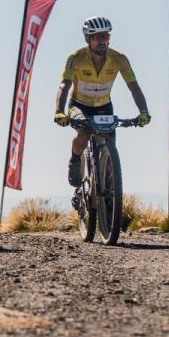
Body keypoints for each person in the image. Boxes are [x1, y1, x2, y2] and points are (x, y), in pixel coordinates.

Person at [53, 16, 151, 208]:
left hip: (104, 105)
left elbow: (134, 86)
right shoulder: (75, 58)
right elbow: (64, 85)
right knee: (85, 132)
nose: (102, 41)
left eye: (106, 36)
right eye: (97, 37)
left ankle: (107, 199)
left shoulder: (119, 59)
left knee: (108, 147)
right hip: (79, 105)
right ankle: (75, 159)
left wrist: (143, 111)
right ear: (87, 39)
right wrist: (59, 111)